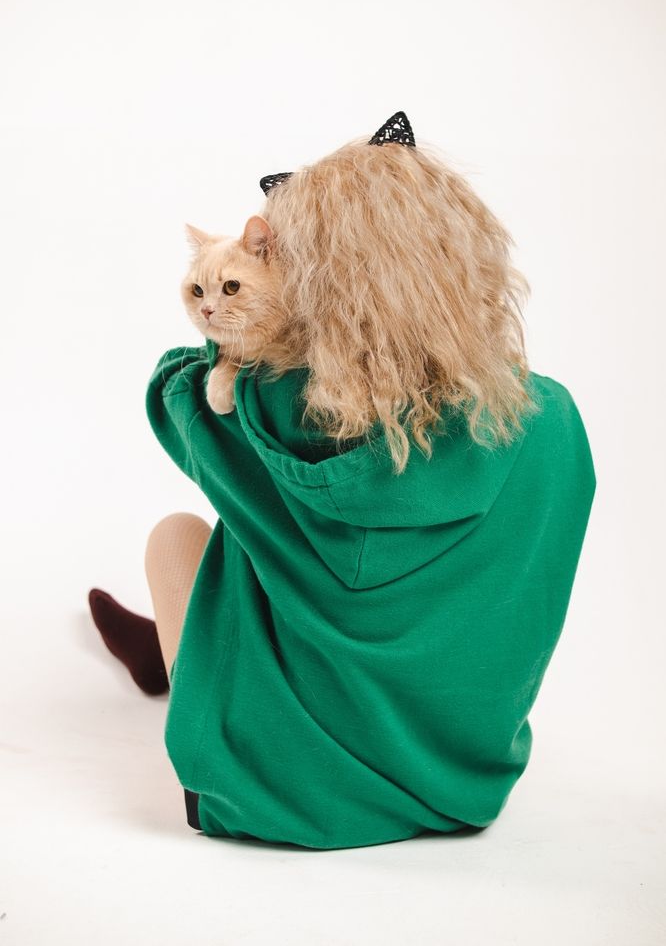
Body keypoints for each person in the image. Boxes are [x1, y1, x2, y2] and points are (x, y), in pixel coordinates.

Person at [89, 112, 596, 850]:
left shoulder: (275, 406)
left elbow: (173, 392)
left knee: (182, 534)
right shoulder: (551, 418)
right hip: (461, 784)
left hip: (267, 786)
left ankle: (187, 661)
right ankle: (180, 650)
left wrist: (258, 339)